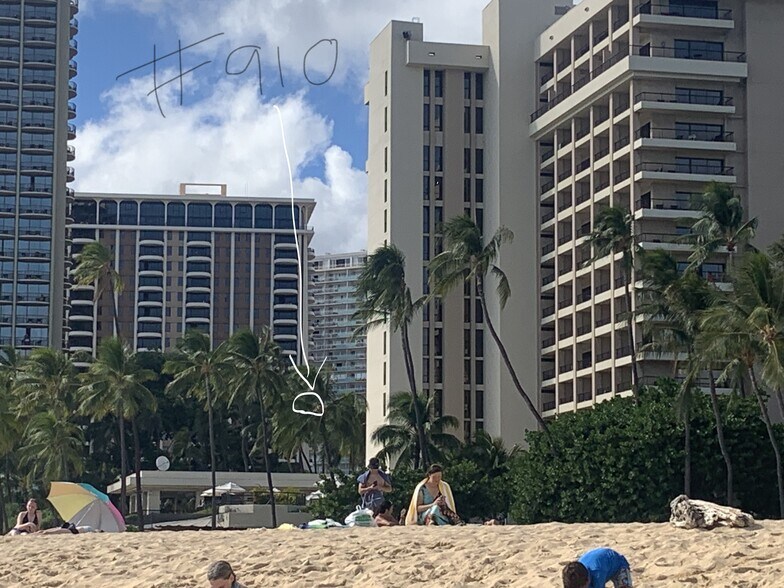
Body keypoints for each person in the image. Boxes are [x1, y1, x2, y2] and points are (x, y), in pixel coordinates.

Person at [562, 547, 633, 588]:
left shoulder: (598, 574)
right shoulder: (575, 575)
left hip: (618, 565)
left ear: (587, 581)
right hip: (598, 560)